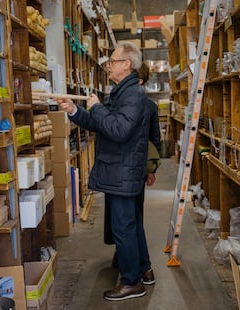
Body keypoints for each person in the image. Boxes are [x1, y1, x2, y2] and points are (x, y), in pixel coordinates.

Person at [57, 41, 151, 301]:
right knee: (127, 225)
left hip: (123, 170)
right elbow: (102, 123)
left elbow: (119, 130)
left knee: (124, 227)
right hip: (119, 170)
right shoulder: (122, 92)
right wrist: (75, 110)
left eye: (112, 61)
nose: (108, 66)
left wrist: (97, 107)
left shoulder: (132, 95)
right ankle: (141, 271)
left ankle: (132, 283)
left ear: (126, 64)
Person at [105, 63, 162, 288]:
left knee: (126, 221)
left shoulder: (136, 103)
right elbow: (154, 140)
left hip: (127, 170)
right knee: (133, 217)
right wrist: (151, 170)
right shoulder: (147, 104)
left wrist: (150, 169)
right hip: (135, 170)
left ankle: (137, 268)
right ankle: (143, 267)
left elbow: (150, 140)